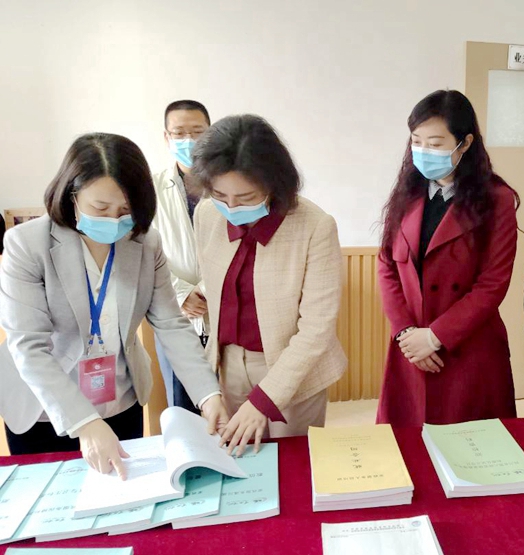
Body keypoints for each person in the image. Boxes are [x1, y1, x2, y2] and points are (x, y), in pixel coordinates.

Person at [0, 133, 227, 476]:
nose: (114, 221)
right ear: (72, 194)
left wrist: (208, 395)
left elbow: (171, 324)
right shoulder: (27, 244)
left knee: (124, 491)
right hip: (43, 406)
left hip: (119, 399)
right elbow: (28, 345)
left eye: (125, 211)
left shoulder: (145, 243)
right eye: (100, 208)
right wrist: (85, 423)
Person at [191, 114, 346, 455]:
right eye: (220, 194)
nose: (231, 207)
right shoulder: (207, 213)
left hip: (292, 369)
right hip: (228, 363)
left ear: (274, 183)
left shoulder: (314, 227)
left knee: (292, 465)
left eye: (246, 197)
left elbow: (316, 329)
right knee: (238, 459)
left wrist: (264, 400)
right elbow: (217, 281)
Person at [376, 90, 519, 426]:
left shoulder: (496, 199)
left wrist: (435, 336)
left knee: (469, 445)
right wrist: (406, 334)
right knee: (408, 444)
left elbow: (493, 283)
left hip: (467, 348)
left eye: (436, 143)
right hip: (410, 346)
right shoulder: (407, 191)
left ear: (465, 143)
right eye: (417, 141)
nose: (424, 151)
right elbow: (386, 265)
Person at [151, 99, 211, 412]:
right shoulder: (149, 190)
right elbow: (141, 253)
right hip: (175, 317)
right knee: (183, 407)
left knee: (230, 408)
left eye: (197, 132)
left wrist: (207, 289)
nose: (189, 140)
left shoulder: (231, 186)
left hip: (224, 313)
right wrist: (181, 293)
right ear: (166, 137)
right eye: (179, 133)